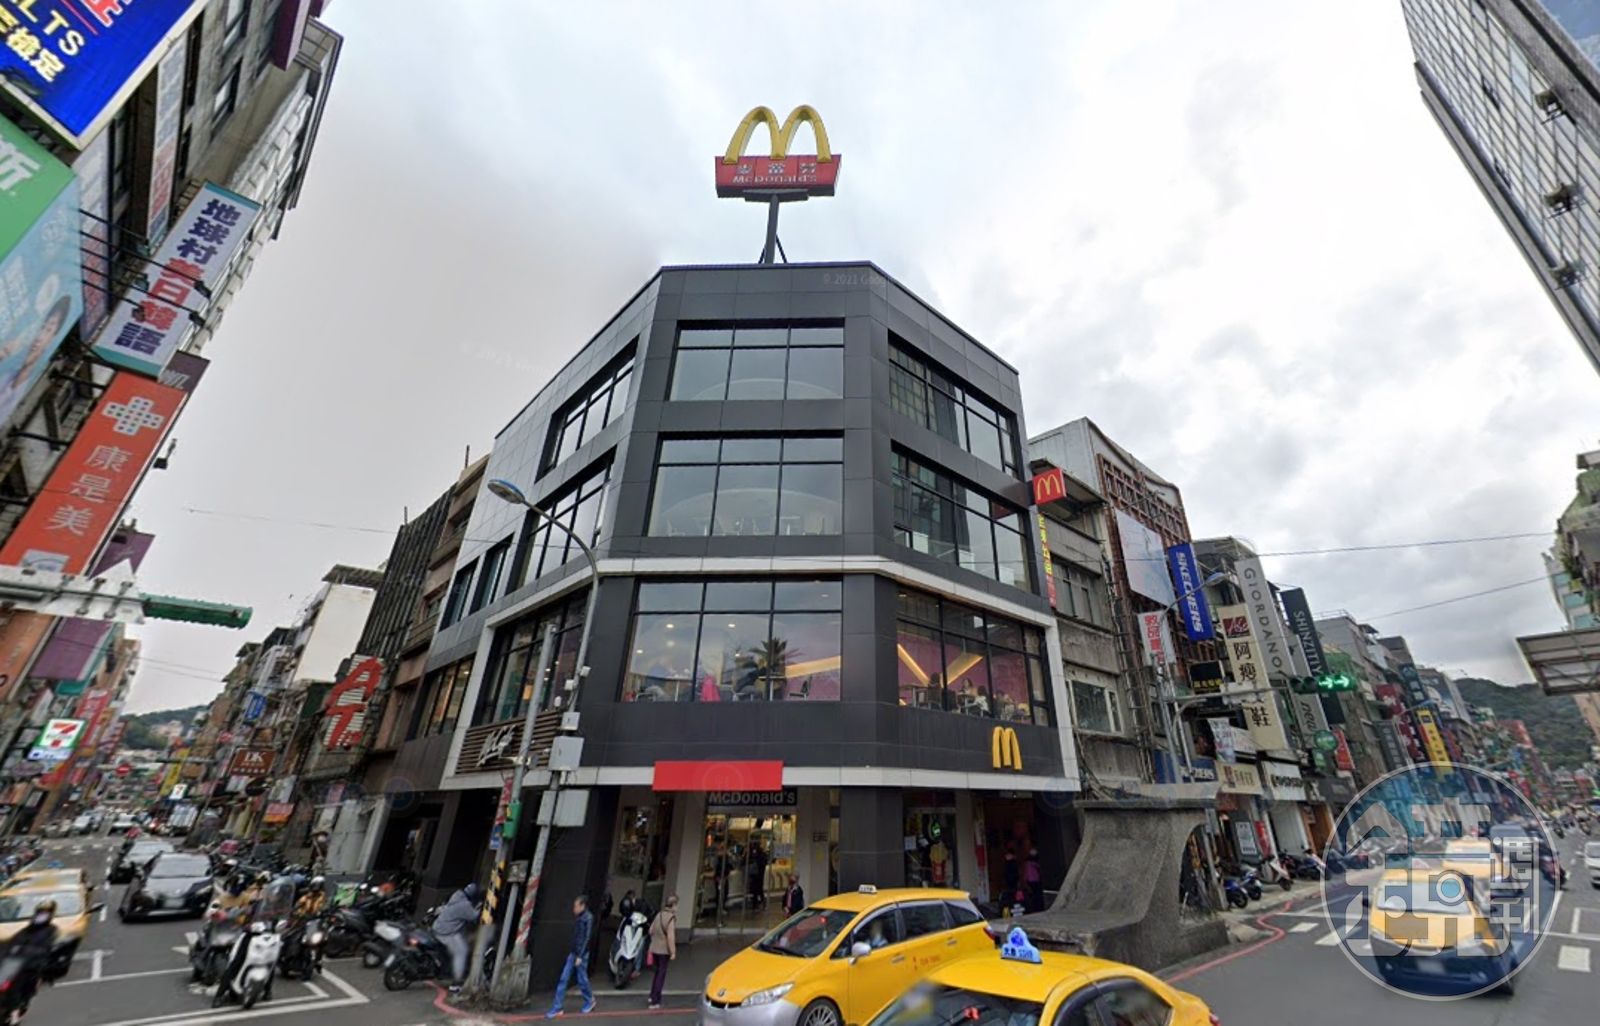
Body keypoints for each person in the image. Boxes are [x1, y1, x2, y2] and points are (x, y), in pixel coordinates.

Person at [0, 898, 64, 1016]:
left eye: (45, 913)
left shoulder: (51, 930)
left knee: (21, 987)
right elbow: (12, 944)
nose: (41, 915)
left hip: (32, 966)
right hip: (14, 962)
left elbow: (49, 948)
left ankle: (15, 1013)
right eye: (40, 912)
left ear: (50, 914)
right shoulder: (26, 930)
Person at [546, 895, 596, 1018]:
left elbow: (587, 937)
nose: (574, 909)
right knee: (564, 978)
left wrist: (580, 955)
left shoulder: (588, 917)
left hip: (581, 954)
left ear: (582, 906)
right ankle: (557, 1007)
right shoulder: (579, 917)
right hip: (573, 952)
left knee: (582, 979)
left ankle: (589, 1000)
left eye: (576, 906)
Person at [433, 882, 481, 992]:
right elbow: (474, 917)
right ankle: (456, 983)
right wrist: (480, 907)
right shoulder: (465, 905)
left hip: (439, 928)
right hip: (447, 932)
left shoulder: (456, 897)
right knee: (462, 951)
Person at [645, 894, 678, 1009]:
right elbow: (670, 937)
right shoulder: (670, 918)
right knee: (661, 974)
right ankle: (656, 1000)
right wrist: (673, 951)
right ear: (673, 905)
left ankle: (651, 995)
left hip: (654, 948)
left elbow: (650, 930)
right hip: (664, 951)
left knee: (656, 973)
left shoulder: (659, 915)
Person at [1024, 848, 1044, 913]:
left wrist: (1025, 880)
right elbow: (1039, 872)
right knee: (1037, 895)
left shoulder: (1027, 864)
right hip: (1036, 880)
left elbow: (1026, 873)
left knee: (1032, 895)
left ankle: (1034, 907)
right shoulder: (1036, 864)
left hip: (1030, 880)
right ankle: (1038, 907)